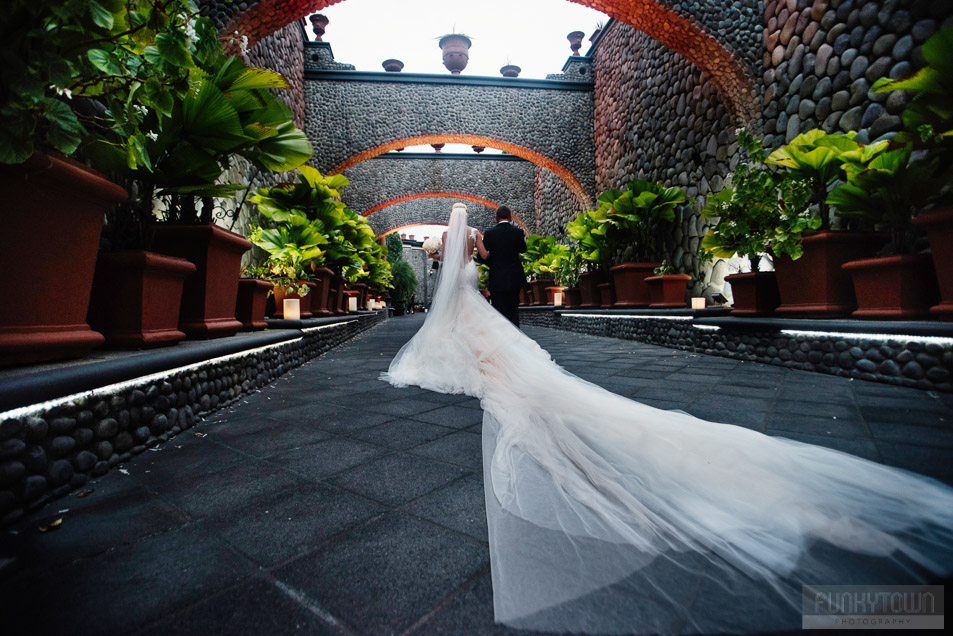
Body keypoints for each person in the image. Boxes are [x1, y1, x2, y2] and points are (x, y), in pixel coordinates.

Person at [382, 204, 953, 634]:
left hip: (472, 315)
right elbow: (492, 265)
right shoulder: (495, 242)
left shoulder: (451, 262)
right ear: (480, 228)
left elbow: (452, 295)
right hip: (493, 305)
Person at [475, 205, 526, 327]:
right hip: (514, 276)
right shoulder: (518, 232)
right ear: (510, 217)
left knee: (498, 309)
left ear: (496, 217)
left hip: (497, 277)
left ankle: (502, 336)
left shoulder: (489, 233)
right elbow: (523, 249)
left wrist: (492, 263)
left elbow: (482, 256)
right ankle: (515, 335)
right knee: (513, 308)